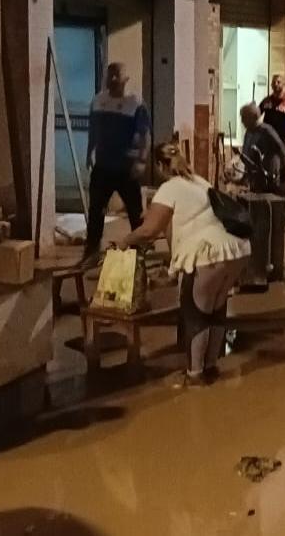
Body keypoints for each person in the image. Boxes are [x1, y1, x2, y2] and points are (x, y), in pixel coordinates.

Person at [120, 142, 250, 387]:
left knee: (196, 312)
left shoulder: (170, 187)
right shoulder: (199, 181)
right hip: (236, 248)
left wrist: (124, 242)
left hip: (207, 252)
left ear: (160, 165)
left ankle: (194, 375)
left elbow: (150, 230)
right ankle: (210, 367)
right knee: (215, 309)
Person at [83, 62, 151, 265]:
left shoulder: (135, 103)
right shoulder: (98, 101)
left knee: (134, 211)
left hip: (126, 168)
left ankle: (139, 250)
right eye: (110, 76)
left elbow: (145, 134)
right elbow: (93, 130)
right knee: (96, 210)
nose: (113, 80)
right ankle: (92, 250)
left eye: (117, 76)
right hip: (103, 166)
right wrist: (89, 153)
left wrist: (141, 160)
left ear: (125, 79)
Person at [240, 103, 285, 191]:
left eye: (244, 117)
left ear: (254, 117)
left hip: (269, 178)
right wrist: (245, 177)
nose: (242, 121)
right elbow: (247, 157)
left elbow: (284, 153)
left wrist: (284, 177)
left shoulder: (267, 131)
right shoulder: (248, 133)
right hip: (255, 180)